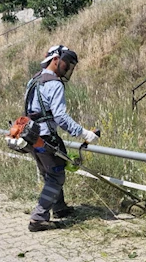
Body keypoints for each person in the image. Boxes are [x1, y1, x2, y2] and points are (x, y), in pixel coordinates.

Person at [24, 45, 99, 232]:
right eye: (66, 65)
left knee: (49, 172)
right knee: (56, 175)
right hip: (46, 137)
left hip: (31, 135)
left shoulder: (33, 80)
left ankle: (59, 207)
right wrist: (84, 133)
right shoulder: (54, 84)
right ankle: (38, 218)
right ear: (55, 60)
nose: (67, 70)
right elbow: (61, 117)